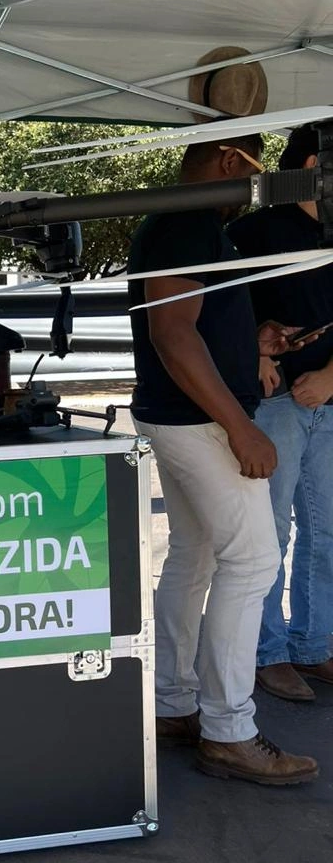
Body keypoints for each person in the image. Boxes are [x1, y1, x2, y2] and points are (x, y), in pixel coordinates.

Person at [128, 134, 318, 784]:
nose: (254, 196)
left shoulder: (183, 223)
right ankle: (230, 729)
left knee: (197, 556)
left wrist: (253, 338)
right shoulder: (186, 224)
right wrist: (240, 428)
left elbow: (192, 323)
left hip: (181, 416)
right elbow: (172, 333)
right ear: (231, 162)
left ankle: (174, 704)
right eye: (255, 176)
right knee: (254, 561)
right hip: (201, 422)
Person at [229, 126, 333, 702]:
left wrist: (331, 375)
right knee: (269, 533)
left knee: (325, 530)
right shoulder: (250, 233)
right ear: (315, 165)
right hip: (273, 406)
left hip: (326, 402)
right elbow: (217, 310)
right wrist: (252, 353)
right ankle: (268, 652)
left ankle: (314, 645)